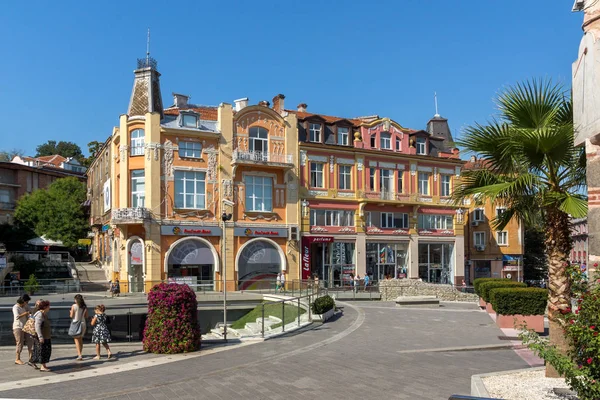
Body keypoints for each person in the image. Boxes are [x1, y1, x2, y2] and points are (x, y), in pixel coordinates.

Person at [31, 300, 51, 372]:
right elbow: (37, 326)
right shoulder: (39, 314)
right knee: (43, 351)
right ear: (45, 307)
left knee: (45, 350)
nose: (49, 308)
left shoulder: (44, 314)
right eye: (48, 306)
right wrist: (40, 337)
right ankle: (43, 366)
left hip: (46, 336)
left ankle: (37, 363)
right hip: (43, 336)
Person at [12, 295, 31, 365]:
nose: (27, 303)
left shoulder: (25, 306)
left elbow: (31, 311)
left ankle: (31, 358)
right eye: (27, 302)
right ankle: (17, 359)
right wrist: (26, 313)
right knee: (20, 343)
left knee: (30, 341)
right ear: (23, 301)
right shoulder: (15, 307)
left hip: (25, 326)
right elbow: (17, 317)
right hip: (18, 327)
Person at [70, 294, 89, 361]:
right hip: (83, 323)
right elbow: (86, 316)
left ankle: (79, 355)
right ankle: (80, 353)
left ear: (76, 300)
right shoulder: (84, 307)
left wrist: (70, 312)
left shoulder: (74, 306)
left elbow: (71, 315)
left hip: (76, 323)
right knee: (80, 339)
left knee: (76, 340)